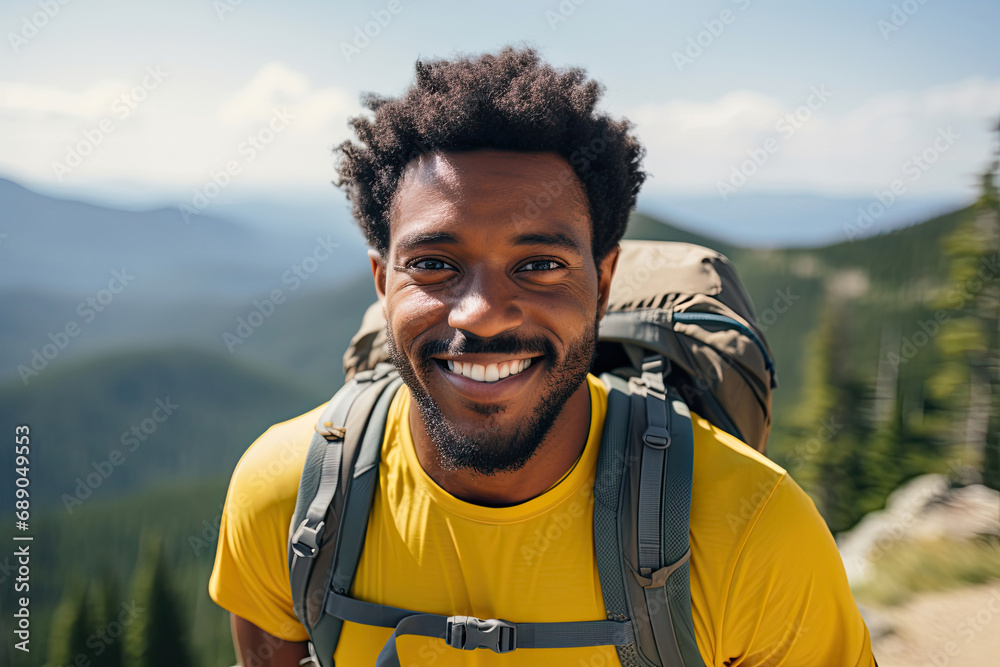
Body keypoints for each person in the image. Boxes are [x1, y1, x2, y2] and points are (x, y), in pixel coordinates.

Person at [209, 46, 877, 666]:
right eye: (436, 264)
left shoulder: (755, 528)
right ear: (384, 282)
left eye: (538, 264)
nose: (480, 313)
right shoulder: (285, 497)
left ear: (604, 282)